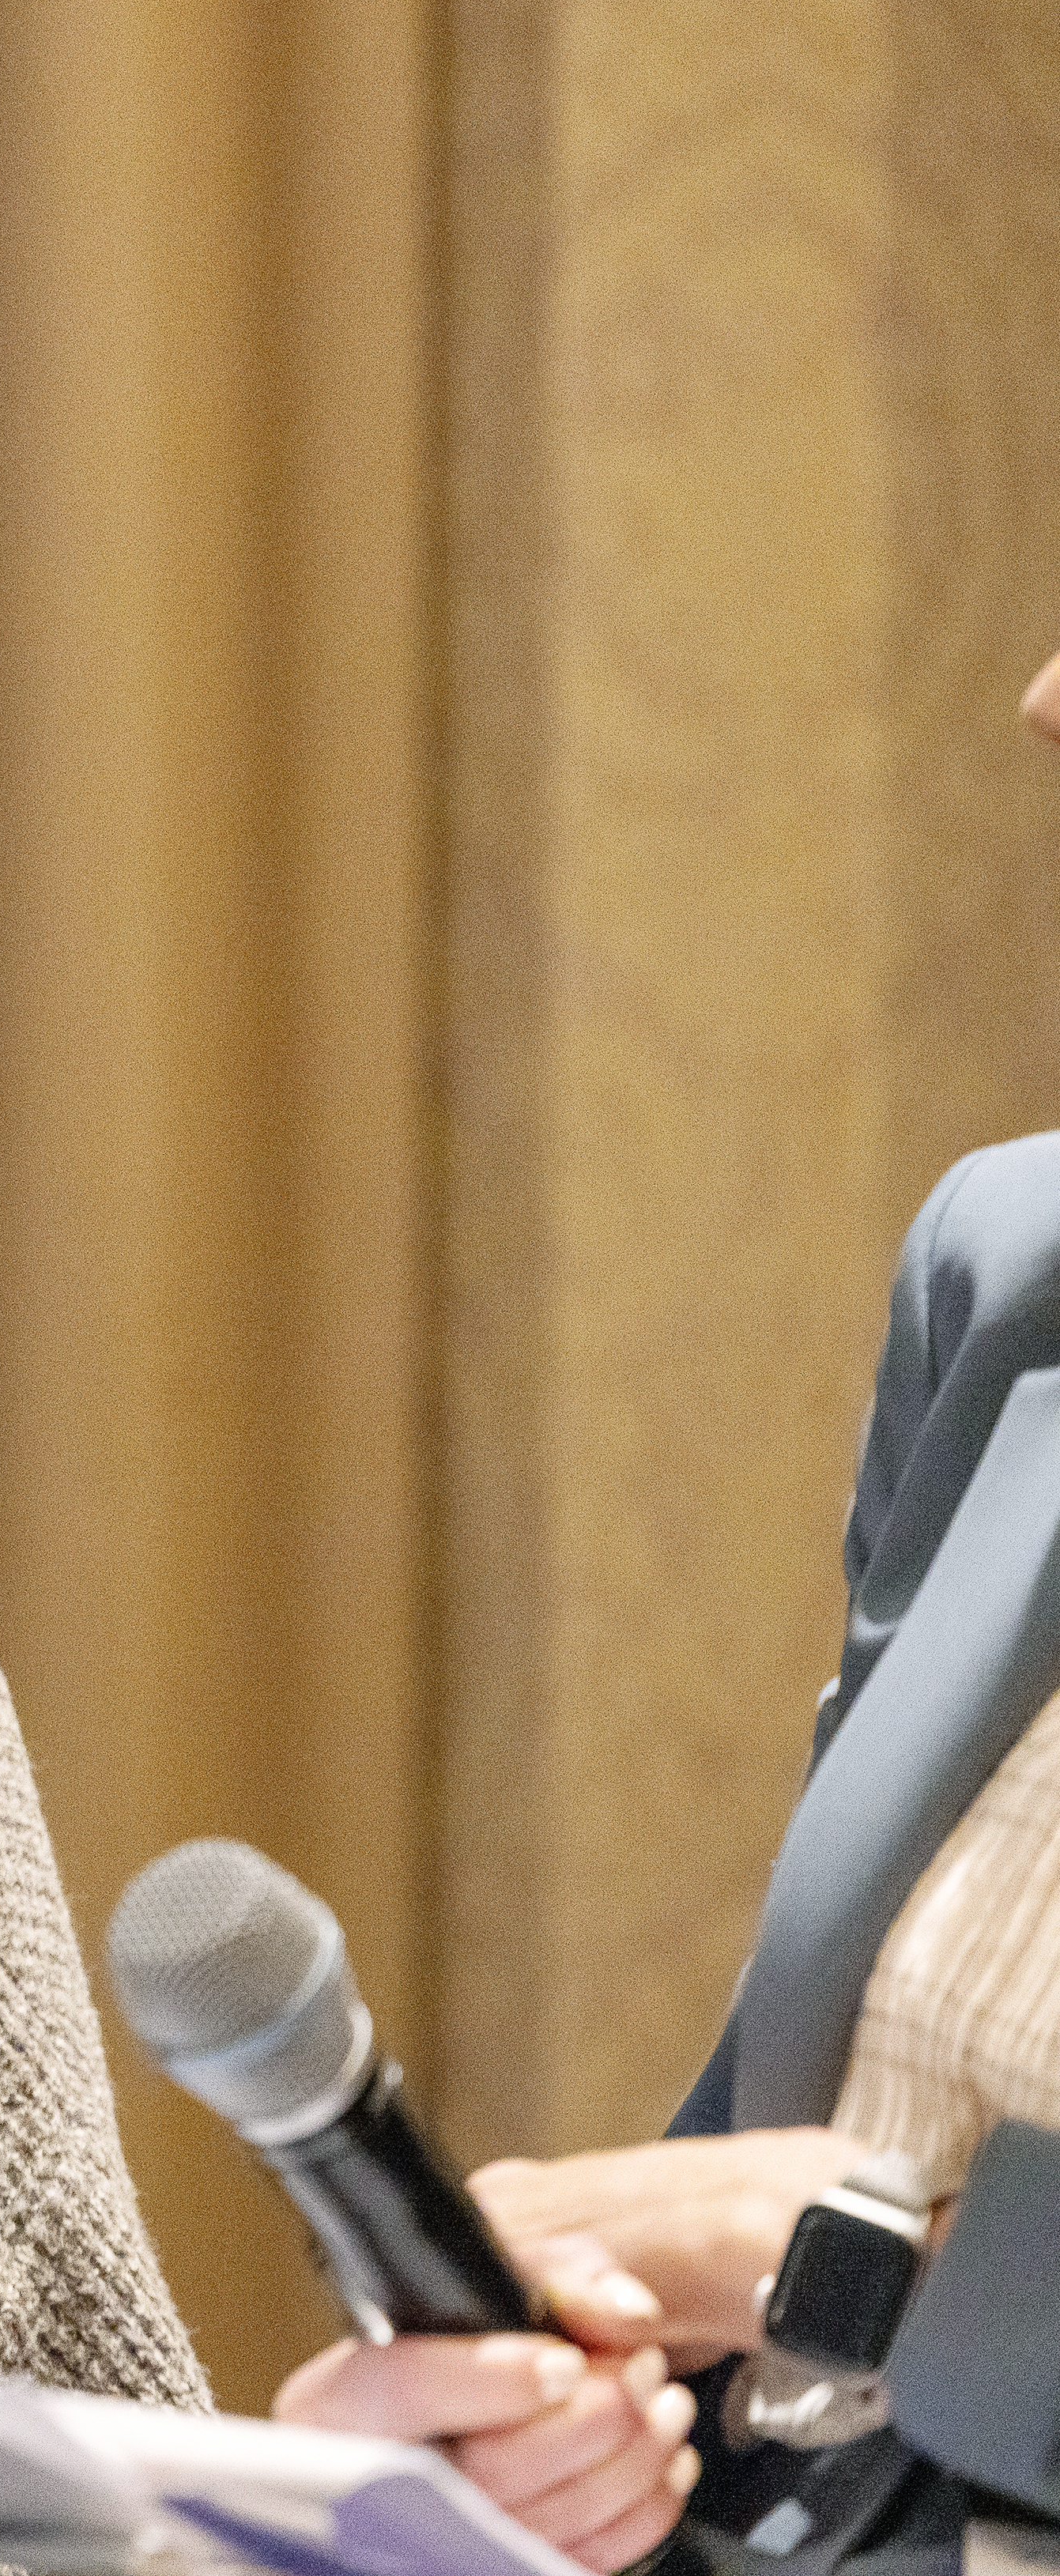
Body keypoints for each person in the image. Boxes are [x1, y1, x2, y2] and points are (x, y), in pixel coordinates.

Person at [278, 654, 1060, 2573]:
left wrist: (839, 2258)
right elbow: (764, 2317)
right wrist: (550, 2409)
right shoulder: (1014, 1281)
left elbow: (791, 2234)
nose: (1042, 696)